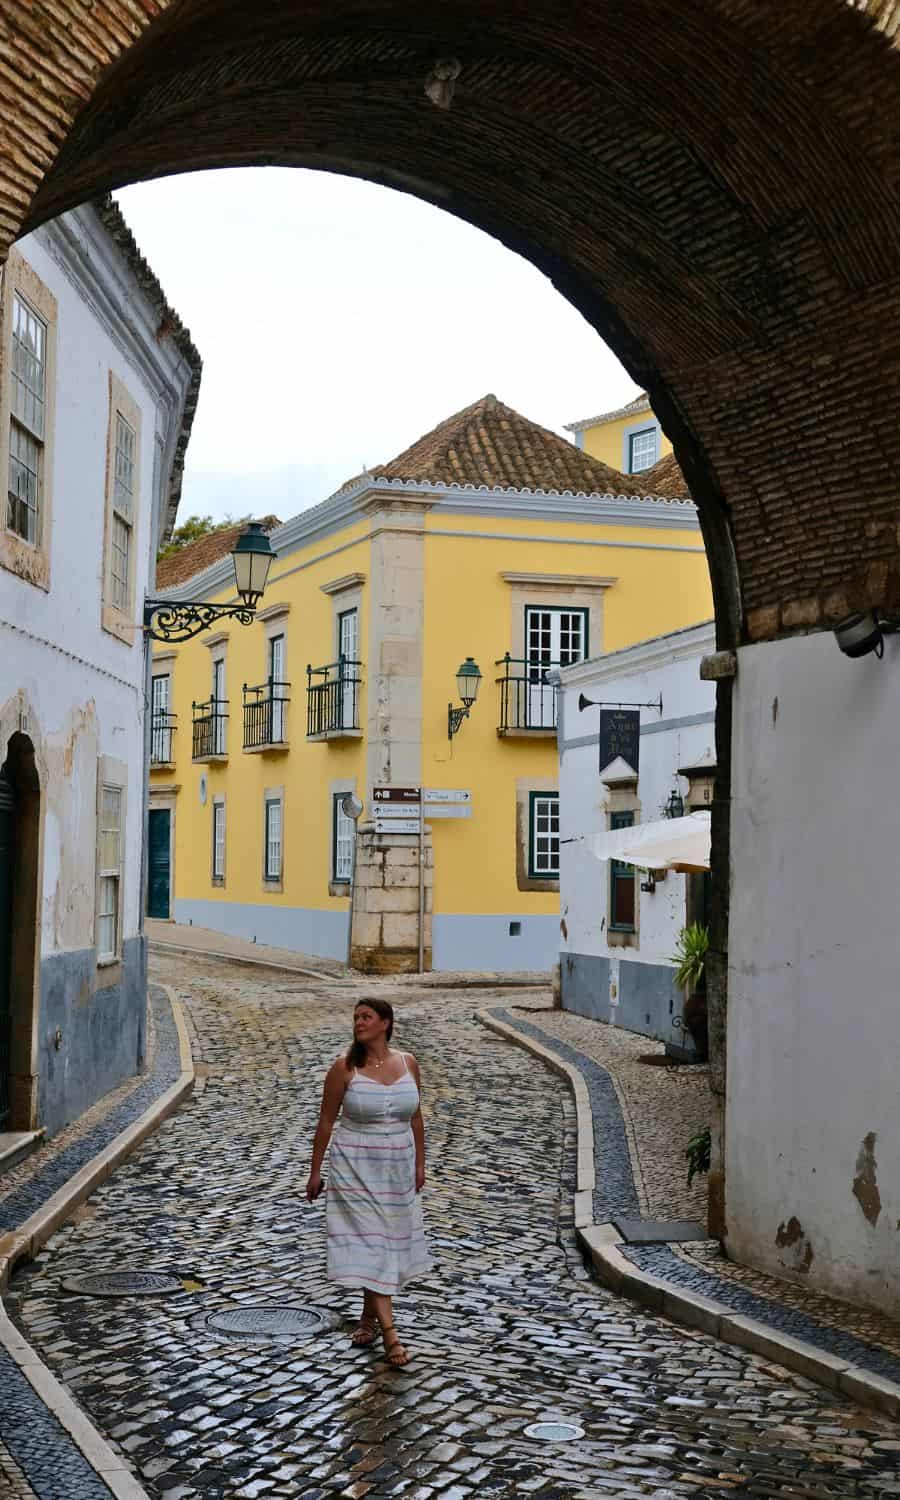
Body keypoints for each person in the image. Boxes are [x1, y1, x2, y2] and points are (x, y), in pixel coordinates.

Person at [305, 997, 431, 1365]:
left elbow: (417, 1118)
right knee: (371, 1244)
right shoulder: (343, 1069)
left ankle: (367, 1317)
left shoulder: (408, 1063)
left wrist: (420, 1165)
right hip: (355, 1167)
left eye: (367, 1017)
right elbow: (326, 1122)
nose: (359, 1022)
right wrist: (316, 1171)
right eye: (356, 1017)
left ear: (386, 1023)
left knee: (386, 1243)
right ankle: (392, 1337)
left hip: (397, 1169)